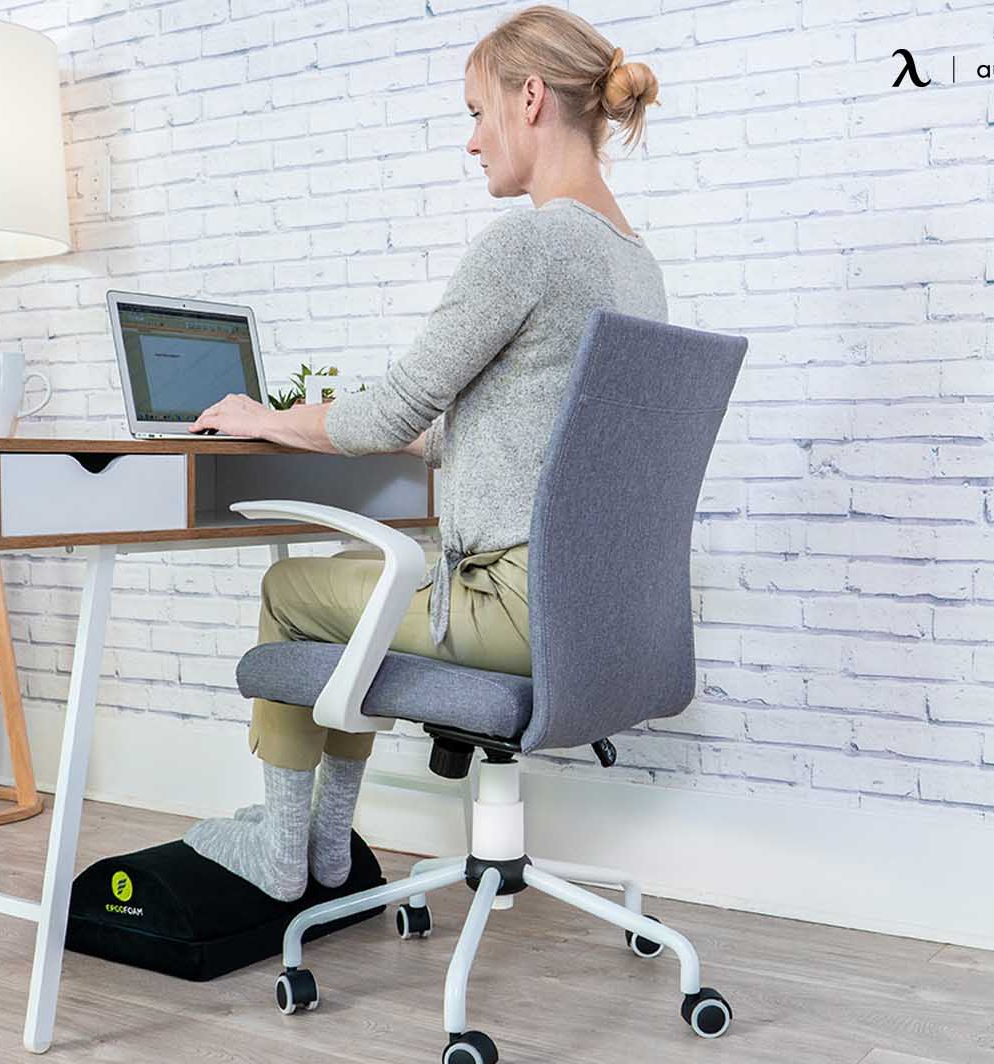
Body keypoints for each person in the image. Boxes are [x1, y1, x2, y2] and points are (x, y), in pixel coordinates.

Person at [181, 4, 668, 902]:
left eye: (477, 113)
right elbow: (511, 426)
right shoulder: (635, 263)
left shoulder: (531, 243)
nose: (473, 142)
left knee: (292, 590)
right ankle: (328, 847)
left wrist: (265, 416)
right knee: (357, 577)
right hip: (600, 613)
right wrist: (355, 419)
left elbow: (396, 407)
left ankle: (291, 852)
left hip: (512, 607)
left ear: (530, 100)